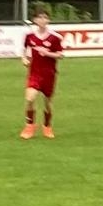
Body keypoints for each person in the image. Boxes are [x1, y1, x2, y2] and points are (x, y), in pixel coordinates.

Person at [21, 8, 62, 139]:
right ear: (35, 20)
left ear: (48, 20)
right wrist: (24, 59)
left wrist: (47, 53)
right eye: (40, 17)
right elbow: (24, 50)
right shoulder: (30, 36)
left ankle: (47, 126)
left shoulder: (55, 38)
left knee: (47, 103)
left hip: (49, 74)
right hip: (34, 73)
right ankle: (29, 126)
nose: (42, 20)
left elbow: (60, 55)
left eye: (45, 17)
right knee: (30, 98)